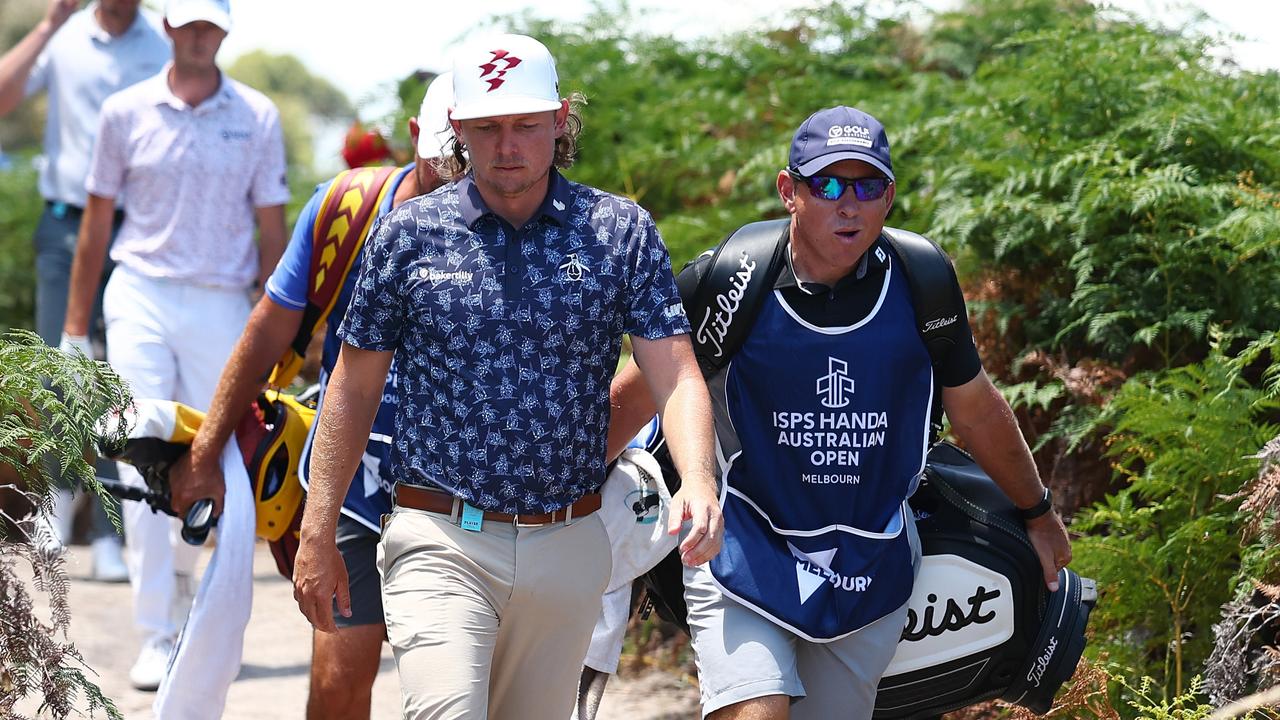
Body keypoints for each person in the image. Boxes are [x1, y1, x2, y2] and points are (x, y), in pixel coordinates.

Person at [291, 33, 722, 720]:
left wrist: (698, 477)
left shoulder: (619, 232)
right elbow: (352, 386)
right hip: (440, 537)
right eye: (488, 128)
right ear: (458, 129)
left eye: (525, 124)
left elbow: (674, 372)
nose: (507, 145)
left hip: (570, 543)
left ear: (559, 120)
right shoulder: (407, 236)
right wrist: (318, 528)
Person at [606, 106, 1074, 720]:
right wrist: (545, 505)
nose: (847, 204)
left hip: (870, 566)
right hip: (743, 546)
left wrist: (1038, 514)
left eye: (866, 186)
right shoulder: (732, 278)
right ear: (788, 192)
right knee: (757, 706)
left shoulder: (921, 282)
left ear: (889, 196)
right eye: (826, 185)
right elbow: (639, 394)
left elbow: (977, 411)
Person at [168, 72, 457, 720]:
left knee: (454, 690)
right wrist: (208, 449)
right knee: (338, 680)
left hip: (462, 492)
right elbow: (269, 327)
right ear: (415, 139)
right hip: (354, 481)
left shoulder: (512, 225)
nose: (457, 186)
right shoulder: (346, 210)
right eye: (444, 168)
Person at [61, 0, 289, 691]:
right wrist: (75, 329)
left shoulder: (258, 117)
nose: (197, 34)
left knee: (213, 460)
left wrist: (283, 330)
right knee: (140, 461)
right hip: (140, 294)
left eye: (209, 24)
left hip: (223, 303)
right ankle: (157, 631)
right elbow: (97, 223)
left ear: (223, 29)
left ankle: (191, 594)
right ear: (166, 26)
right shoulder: (124, 111)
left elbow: (272, 229)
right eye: (187, 21)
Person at [0, 0, 170, 580]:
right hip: (66, 225)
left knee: (120, 377)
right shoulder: (65, 35)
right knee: (57, 374)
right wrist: (47, 25)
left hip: (138, 230)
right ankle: (55, 512)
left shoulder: (162, 42)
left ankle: (109, 532)